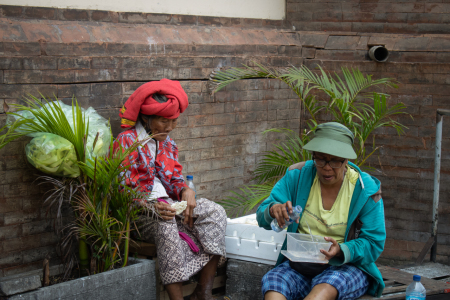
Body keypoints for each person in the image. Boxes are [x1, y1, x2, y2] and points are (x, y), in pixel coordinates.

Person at [113, 79, 227, 300]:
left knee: (215, 211)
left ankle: (203, 293)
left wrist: (186, 190)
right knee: (166, 224)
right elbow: (122, 192)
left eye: (174, 121)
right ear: (146, 118)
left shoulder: (168, 144)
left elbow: (174, 179)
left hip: (169, 206)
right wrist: (152, 208)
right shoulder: (126, 142)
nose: (170, 128)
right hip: (139, 215)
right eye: (164, 121)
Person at [256, 122, 386, 300]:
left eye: (335, 160)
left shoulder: (365, 190)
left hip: (344, 268)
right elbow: (261, 214)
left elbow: (374, 242)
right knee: (273, 285)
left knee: (322, 293)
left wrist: (341, 250)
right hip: (299, 266)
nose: (326, 167)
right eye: (320, 159)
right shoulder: (298, 176)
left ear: (346, 160)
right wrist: (273, 210)